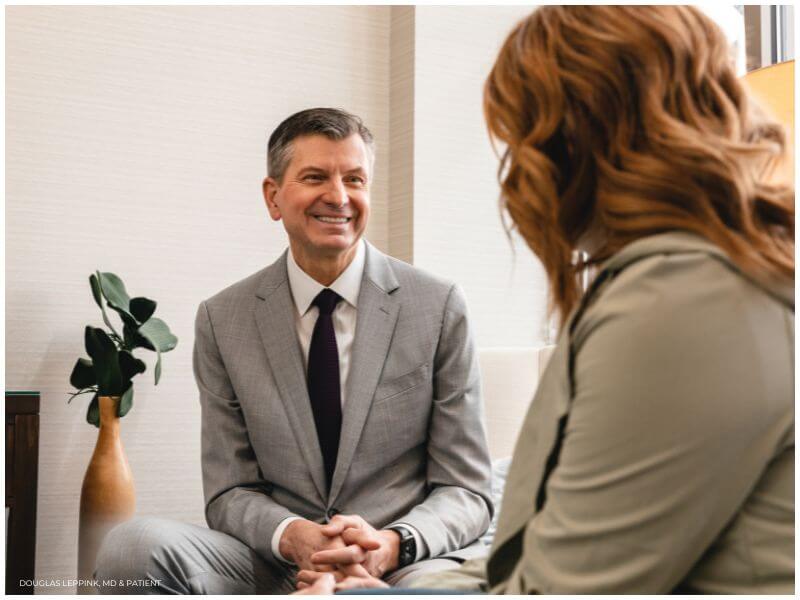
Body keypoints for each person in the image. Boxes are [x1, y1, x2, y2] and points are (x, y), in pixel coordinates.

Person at [298, 6, 794, 594]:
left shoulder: (685, 305)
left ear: (580, 137)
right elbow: (524, 556)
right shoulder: (679, 285)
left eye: (520, 138)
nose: (514, 180)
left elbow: (564, 586)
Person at [93, 108, 493, 593]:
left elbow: (466, 489)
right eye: (315, 177)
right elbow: (229, 491)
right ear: (273, 197)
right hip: (274, 560)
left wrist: (390, 544)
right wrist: (294, 537)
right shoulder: (223, 319)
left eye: (355, 179)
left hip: (402, 561)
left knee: (447, 588)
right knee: (131, 546)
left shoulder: (439, 305)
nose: (339, 196)